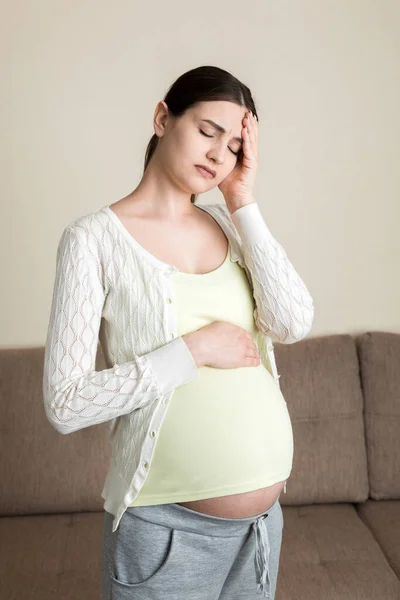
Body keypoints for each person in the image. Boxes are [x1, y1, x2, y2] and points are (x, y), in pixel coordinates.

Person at [43, 65, 314, 599]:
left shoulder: (227, 225)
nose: (219, 155)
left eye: (235, 145)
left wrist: (243, 201)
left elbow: (292, 321)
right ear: (164, 118)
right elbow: (65, 403)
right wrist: (191, 350)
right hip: (166, 534)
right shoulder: (93, 240)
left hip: (260, 532)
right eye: (208, 131)